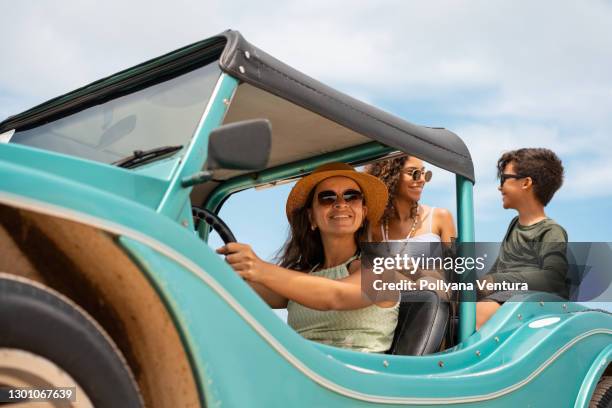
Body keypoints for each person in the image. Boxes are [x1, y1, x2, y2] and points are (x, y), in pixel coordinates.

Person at [216, 162, 399, 353]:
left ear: (363, 213)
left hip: (354, 377)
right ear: (311, 217)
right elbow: (233, 288)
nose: (340, 203)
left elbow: (336, 296)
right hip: (300, 372)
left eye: (351, 196)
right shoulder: (303, 277)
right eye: (327, 198)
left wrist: (259, 268)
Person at [476, 148, 568, 330]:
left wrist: (496, 280)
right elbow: (499, 269)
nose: (499, 186)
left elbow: (553, 278)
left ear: (526, 183)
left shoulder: (551, 231)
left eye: (504, 179)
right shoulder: (514, 225)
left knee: (479, 313)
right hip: (505, 296)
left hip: (529, 301)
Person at [365, 155, 456, 299]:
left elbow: (456, 275)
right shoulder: (373, 226)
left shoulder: (440, 217)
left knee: (426, 283)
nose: (421, 180)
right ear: (390, 175)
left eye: (424, 173)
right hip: (390, 305)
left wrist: (417, 272)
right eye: (413, 173)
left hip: (434, 305)